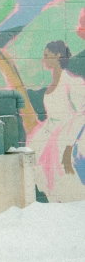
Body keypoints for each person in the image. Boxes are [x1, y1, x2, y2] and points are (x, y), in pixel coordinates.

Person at [29, 40, 85, 201]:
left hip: (66, 140)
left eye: (46, 55)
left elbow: (81, 115)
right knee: (47, 180)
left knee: (68, 180)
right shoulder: (53, 82)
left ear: (57, 55)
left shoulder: (73, 83)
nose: (43, 59)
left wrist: (68, 146)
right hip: (50, 137)